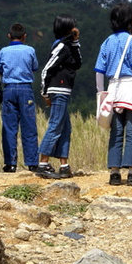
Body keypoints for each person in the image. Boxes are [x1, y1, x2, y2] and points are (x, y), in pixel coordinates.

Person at [94, 3, 132, 186]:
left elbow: (98, 71)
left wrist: (101, 93)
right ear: (130, 20)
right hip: (131, 89)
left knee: (116, 132)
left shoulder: (107, 41)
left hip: (113, 89)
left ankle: (114, 172)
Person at [36, 15, 82, 179]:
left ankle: (64, 165)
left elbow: (78, 63)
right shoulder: (61, 46)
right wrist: (44, 92)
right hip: (58, 90)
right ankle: (42, 164)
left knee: (65, 128)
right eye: (73, 27)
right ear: (67, 29)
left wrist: (75, 42)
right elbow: (46, 69)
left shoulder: (69, 46)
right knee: (55, 126)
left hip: (64, 90)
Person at [0, 23, 39, 174]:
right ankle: (32, 162)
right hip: (25, 88)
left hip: (8, 88)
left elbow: (0, 69)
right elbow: (34, 67)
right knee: (29, 126)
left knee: (9, 127)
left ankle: (10, 163)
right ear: (24, 36)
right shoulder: (30, 50)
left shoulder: (3, 51)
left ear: (9, 36)